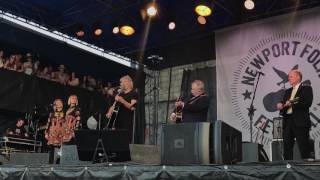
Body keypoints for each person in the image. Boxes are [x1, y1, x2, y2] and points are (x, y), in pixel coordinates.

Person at [277, 70, 313, 160]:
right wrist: (281, 104)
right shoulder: (288, 91)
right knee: (287, 148)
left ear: (298, 77)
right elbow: (284, 102)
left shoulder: (306, 88)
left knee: (304, 146)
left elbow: (307, 103)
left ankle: (307, 170)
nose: (289, 78)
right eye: (289, 77)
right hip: (288, 121)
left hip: (300, 121)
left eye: (291, 76)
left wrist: (292, 104)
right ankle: (288, 169)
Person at [106, 75, 137, 142]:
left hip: (126, 123)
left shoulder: (134, 93)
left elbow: (132, 107)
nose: (120, 84)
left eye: (121, 82)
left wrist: (122, 100)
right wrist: (109, 112)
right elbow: (114, 105)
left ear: (127, 82)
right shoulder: (120, 94)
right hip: (117, 123)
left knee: (124, 142)